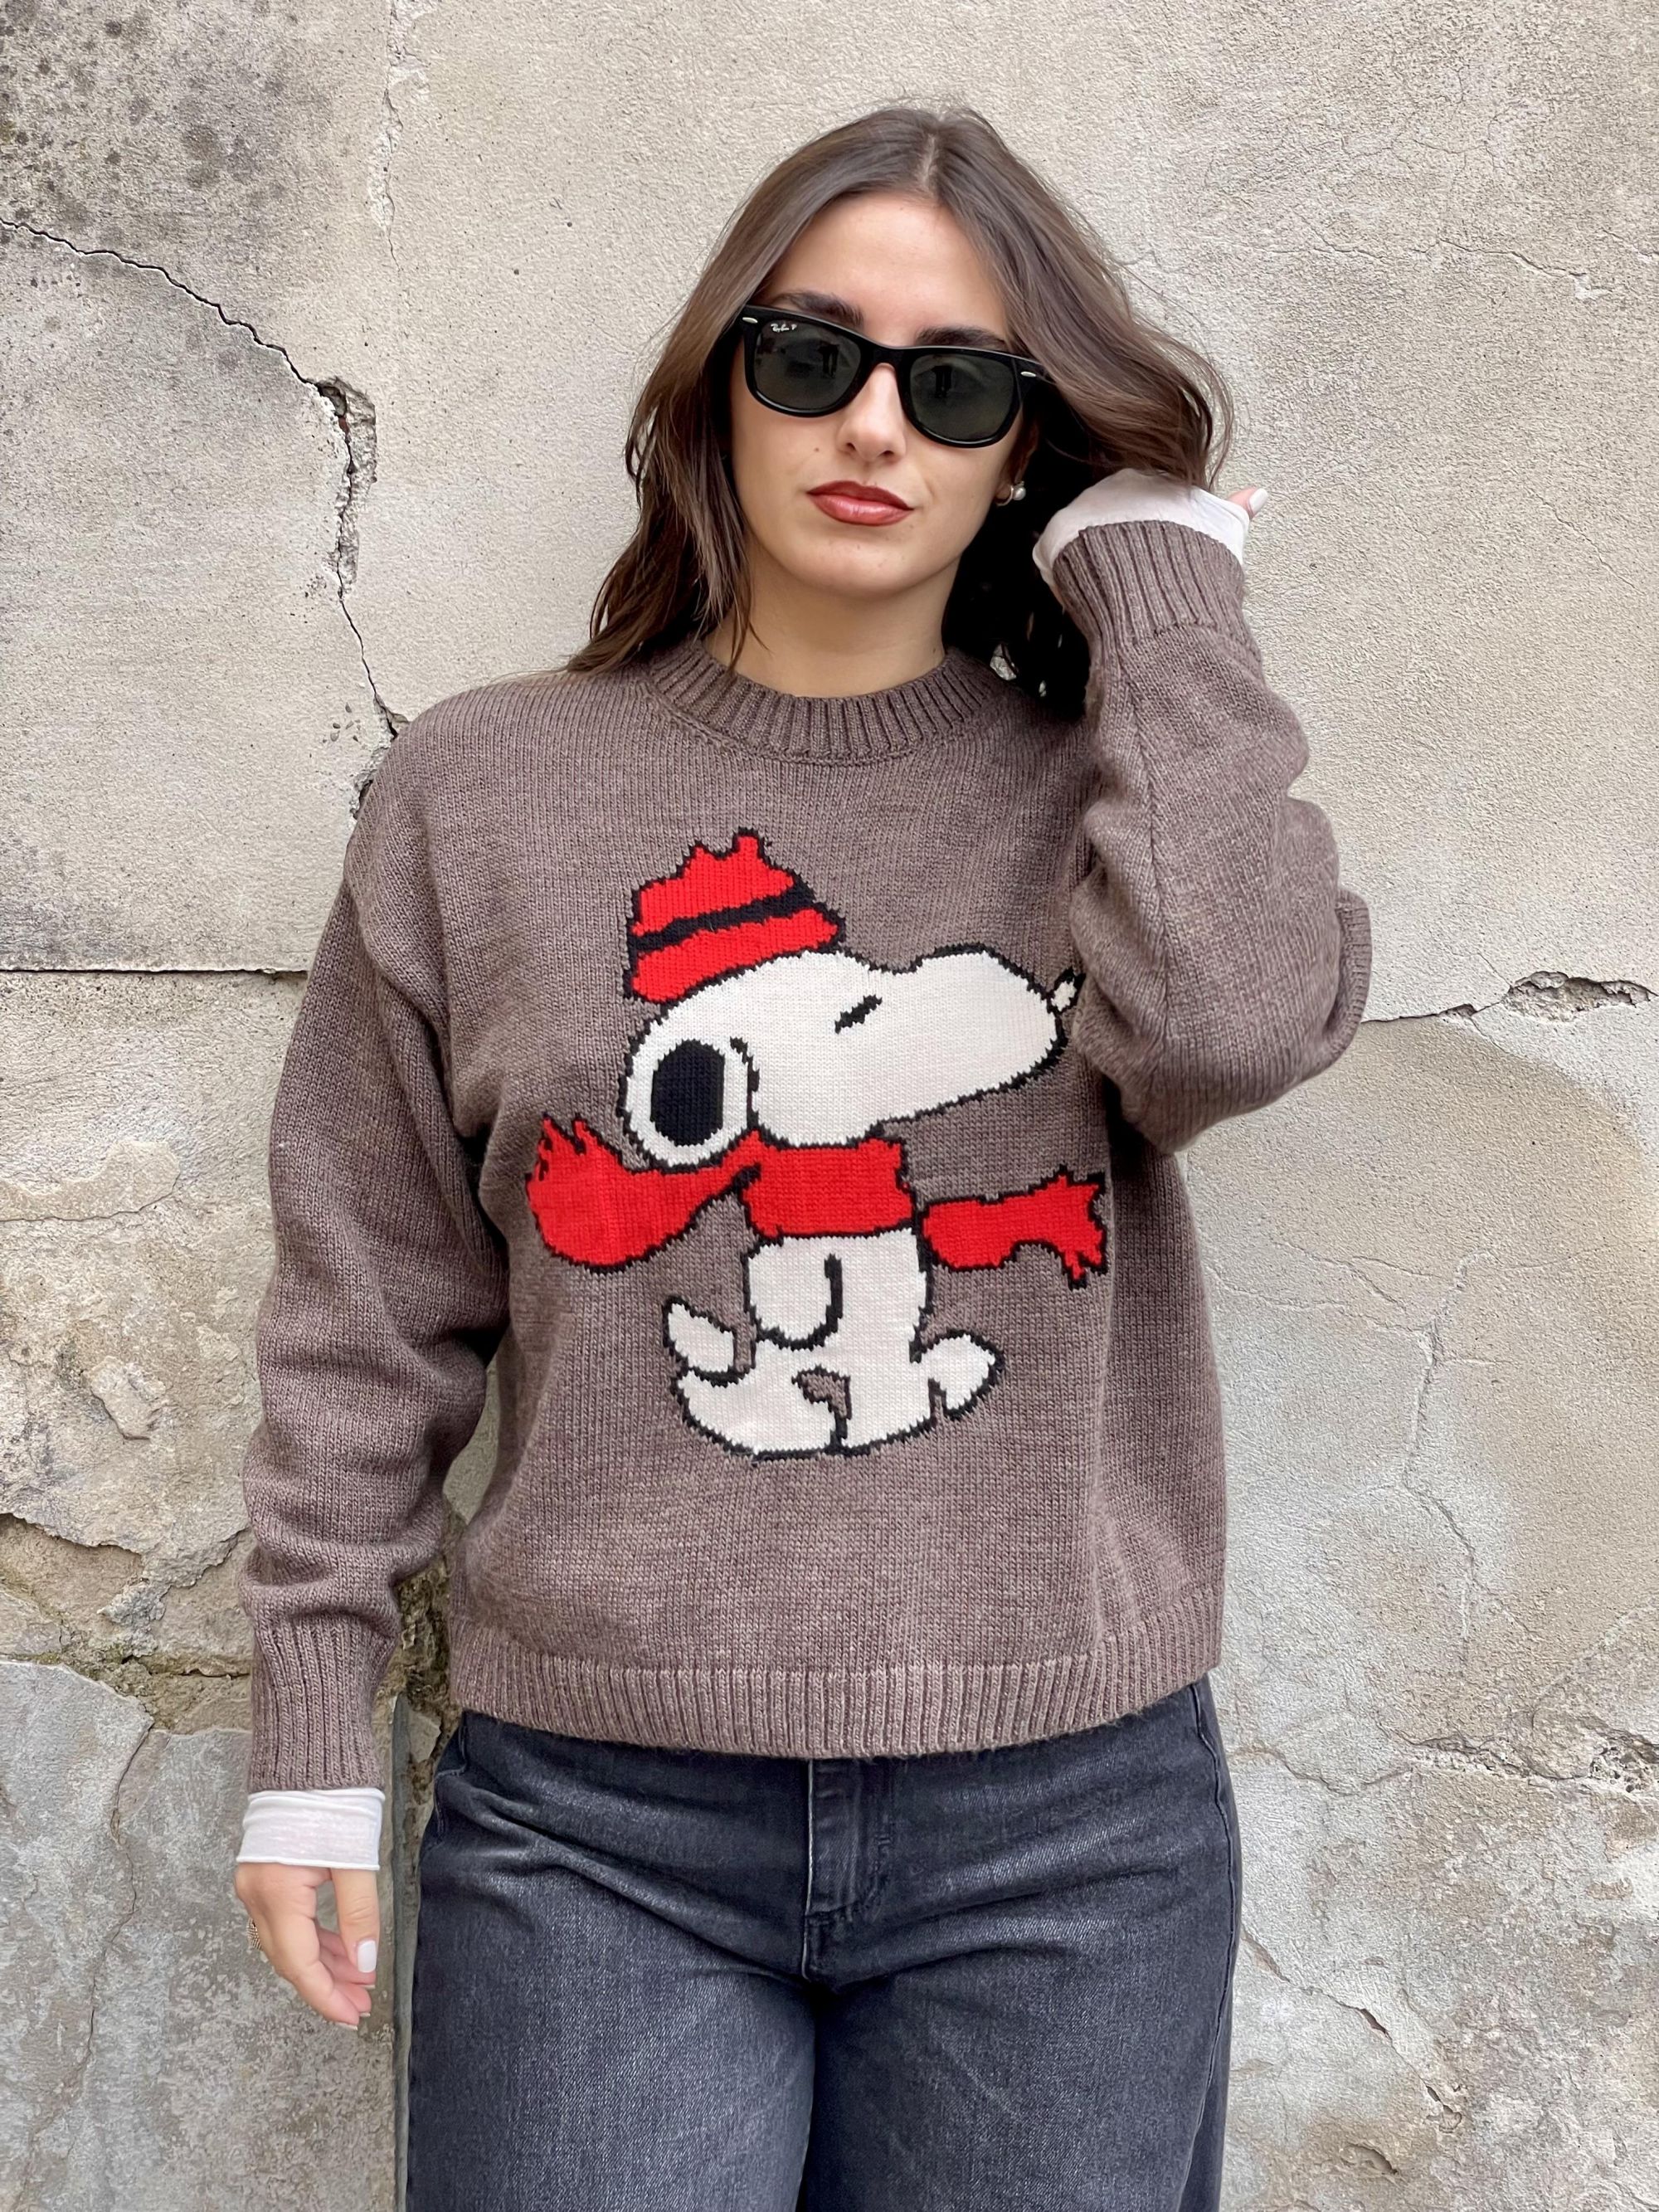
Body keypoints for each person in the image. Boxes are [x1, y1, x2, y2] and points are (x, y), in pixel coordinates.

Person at [232, 100, 1370, 2210]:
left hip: (1066, 1830)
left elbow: (1227, 1022)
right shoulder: (481, 793)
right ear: (717, 387)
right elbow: (369, 1299)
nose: (873, 424)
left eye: (959, 386)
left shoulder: (1105, 809)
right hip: (596, 1823)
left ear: (1025, 450)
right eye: (810, 354)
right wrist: (312, 1736)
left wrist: (1164, 598)